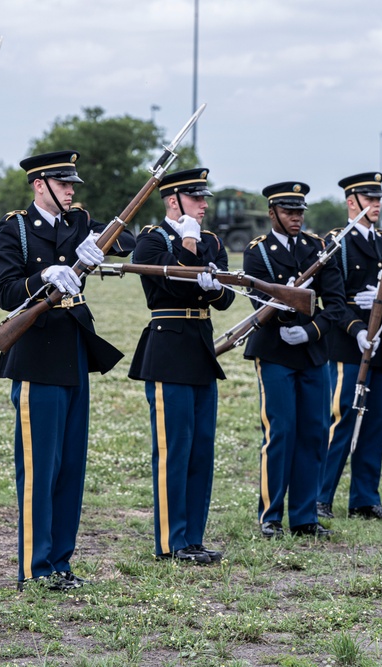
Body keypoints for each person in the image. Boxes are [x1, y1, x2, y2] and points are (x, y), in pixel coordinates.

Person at [0, 150, 134, 590]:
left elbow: (123, 243)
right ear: (40, 185)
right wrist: (44, 277)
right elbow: (5, 290)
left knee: (71, 466)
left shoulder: (78, 222)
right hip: (36, 355)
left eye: (73, 185)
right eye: (64, 184)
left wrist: (106, 243)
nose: (71, 191)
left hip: (73, 352)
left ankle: (60, 563)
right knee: (39, 469)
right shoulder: (14, 228)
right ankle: (35, 567)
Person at [127, 168, 233, 564]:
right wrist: (188, 241)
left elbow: (224, 299)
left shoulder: (212, 241)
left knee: (201, 449)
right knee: (175, 450)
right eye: (195, 198)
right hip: (167, 349)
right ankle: (171, 543)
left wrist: (216, 287)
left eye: (204, 197)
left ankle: (193, 538)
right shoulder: (152, 239)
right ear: (173, 200)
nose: (204, 205)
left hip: (201, 350)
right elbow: (173, 284)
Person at [242, 181, 345, 539]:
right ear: (273, 213)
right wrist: (286, 314)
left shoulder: (319, 249)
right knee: (281, 431)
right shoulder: (259, 252)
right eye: (288, 212)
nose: (296, 217)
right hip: (274, 352)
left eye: (300, 211)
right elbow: (257, 300)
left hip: (313, 352)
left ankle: (304, 517)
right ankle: (271, 515)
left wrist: (312, 330)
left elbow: (336, 302)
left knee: (314, 433)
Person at [317, 173, 382, 521]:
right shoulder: (335, 242)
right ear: (350, 201)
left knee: (377, 423)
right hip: (347, 344)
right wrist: (356, 327)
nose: (377, 205)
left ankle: (364, 499)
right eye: (369, 198)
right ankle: (320, 495)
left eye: (379, 199)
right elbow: (333, 301)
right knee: (341, 419)